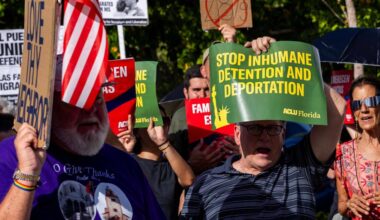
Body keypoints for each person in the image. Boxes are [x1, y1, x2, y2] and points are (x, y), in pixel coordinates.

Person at [180, 37, 347, 219]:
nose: (265, 136)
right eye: (255, 128)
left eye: (273, 128)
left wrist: (281, 60)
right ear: (237, 133)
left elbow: (338, 108)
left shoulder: (300, 167)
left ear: (283, 133)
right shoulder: (206, 184)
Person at [0, 56, 165, 219]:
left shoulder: (124, 164)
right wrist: (27, 174)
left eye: (98, 98)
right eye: (79, 101)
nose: (92, 109)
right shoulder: (10, 156)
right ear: (47, 107)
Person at [117, 109, 195, 220]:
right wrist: (122, 153)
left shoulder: (172, 165)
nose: (157, 127)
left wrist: (163, 142)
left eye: (163, 121)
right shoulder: (131, 163)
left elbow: (189, 180)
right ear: (137, 131)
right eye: (150, 122)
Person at [169, 66, 238, 175]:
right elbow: (172, 161)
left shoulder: (231, 110)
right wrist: (191, 164)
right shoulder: (180, 116)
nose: (202, 95)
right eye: (196, 90)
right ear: (186, 93)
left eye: (207, 89)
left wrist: (240, 152)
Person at [335, 75, 380, 219]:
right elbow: (341, 205)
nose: (364, 109)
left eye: (371, 101)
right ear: (354, 113)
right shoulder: (343, 153)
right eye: (357, 104)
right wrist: (349, 204)